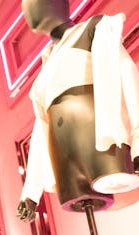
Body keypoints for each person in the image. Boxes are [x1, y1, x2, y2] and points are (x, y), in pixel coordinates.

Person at [17, 0, 139, 221]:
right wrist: (31, 192)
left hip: (100, 146)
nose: (28, 10)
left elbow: (128, 79)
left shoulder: (93, 28)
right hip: (64, 159)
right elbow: (41, 127)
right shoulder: (46, 65)